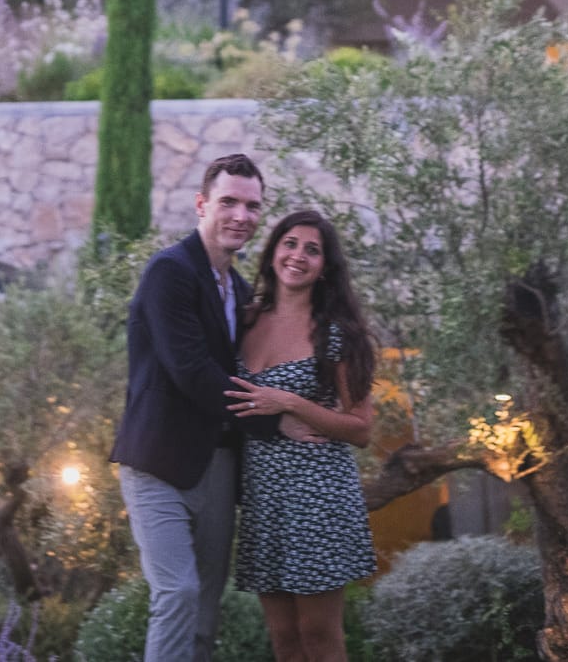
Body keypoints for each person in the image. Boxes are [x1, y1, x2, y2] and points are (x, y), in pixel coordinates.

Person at [112, 154, 270, 662]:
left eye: (252, 206)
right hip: (158, 464)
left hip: (219, 467)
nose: (241, 216)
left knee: (205, 609)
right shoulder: (170, 272)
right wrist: (277, 414)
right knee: (177, 592)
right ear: (202, 205)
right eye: (229, 202)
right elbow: (191, 371)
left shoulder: (241, 290)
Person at [226, 211, 379, 662]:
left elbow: (362, 429)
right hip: (264, 499)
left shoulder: (336, 334)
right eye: (290, 243)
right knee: (283, 638)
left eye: (312, 250)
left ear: (325, 267)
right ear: (274, 250)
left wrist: (291, 402)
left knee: (319, 635)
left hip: (318, 498)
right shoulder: (245, 321)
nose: (298, 256)